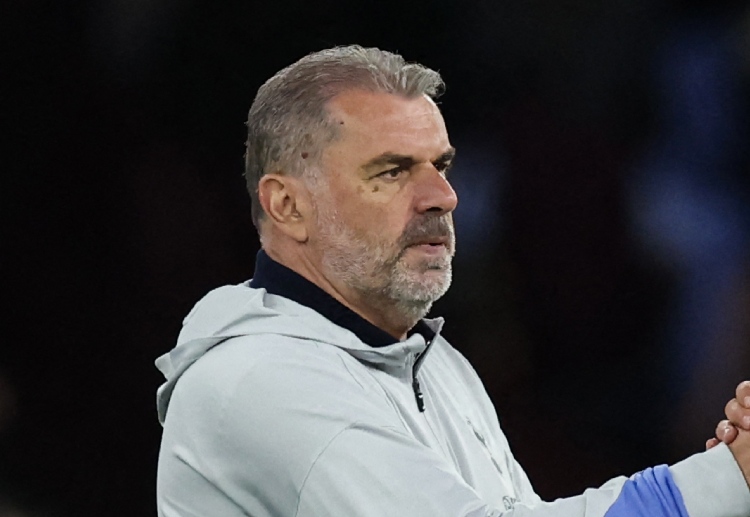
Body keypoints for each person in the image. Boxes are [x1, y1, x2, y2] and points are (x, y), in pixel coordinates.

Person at [155, 45, 750, 516]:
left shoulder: (434, 362)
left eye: (440, 165)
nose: (443, 195)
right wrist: (724, 480)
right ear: (287, 206)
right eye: (391, 171)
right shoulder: (261, 378)